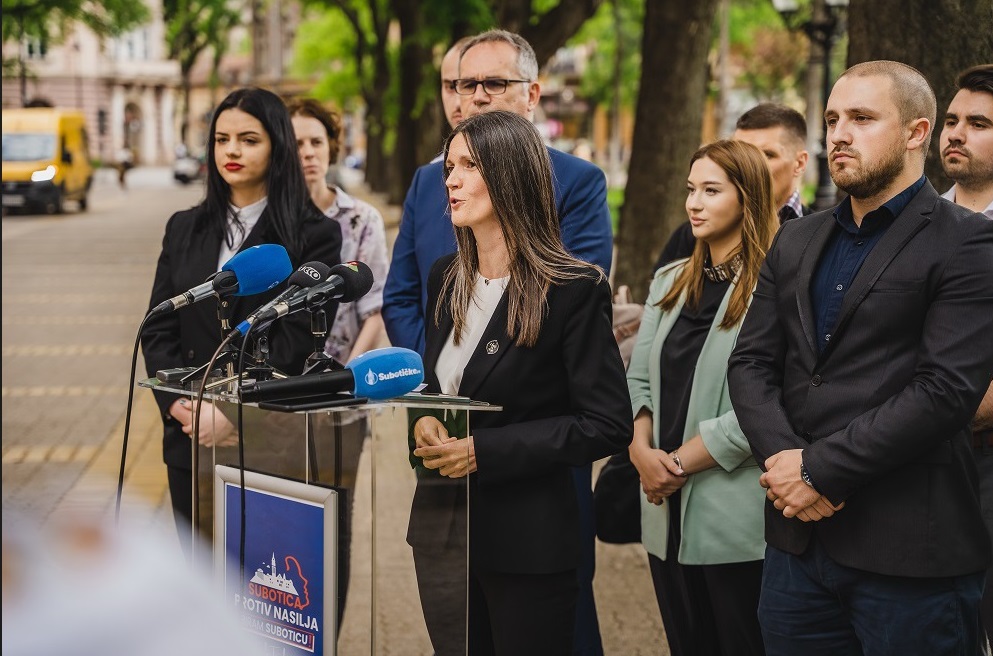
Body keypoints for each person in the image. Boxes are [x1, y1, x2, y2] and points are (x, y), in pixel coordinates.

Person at [727, 60, 993, 655]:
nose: (839, 135)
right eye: (831, 119)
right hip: (797, 549)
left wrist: (818, 471)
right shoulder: (795, 238)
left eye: (862, 118)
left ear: (916, 133)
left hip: (910, 552)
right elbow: (750, 365)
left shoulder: (968, 241)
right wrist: (788, 468)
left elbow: (945, 391)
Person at [382, 29, 614, 655]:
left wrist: (485, 450)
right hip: (443, 528)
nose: (450, 182)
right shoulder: (445, 277)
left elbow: (604, 424)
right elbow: (439, 381)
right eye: (450, 167)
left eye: (470, 167)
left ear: (510, 178)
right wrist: (426, 418)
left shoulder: (573, 289)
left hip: (528, 540)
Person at [141, 87, 343, 559]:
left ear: (277, 146)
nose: (231, 150)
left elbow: (296, 343)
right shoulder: (183, 226)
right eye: (221, 139)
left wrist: (232, 413)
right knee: (200, 580)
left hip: (268, 438)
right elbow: (158, 329)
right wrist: (179, 407)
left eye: (249, 140)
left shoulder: (315, 234)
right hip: (190, 436)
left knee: (263, 581)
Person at [626, 139, 776, 656]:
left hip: (730, 513)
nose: (694, 203)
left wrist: (676, 464)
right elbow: (638, 380)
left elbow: (766, 402)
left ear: (746, 198)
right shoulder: (669, 281)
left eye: (711, 191)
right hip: (661, 506)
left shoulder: (773, 288)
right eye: (691, 190)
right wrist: (640, 452)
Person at [287, 96, 388, 629]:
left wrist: (345, 377)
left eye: (316, 142)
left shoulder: (360, 219)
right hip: (275, 404)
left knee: (334, 516)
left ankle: (328, 630)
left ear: (331, 148)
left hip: (342, 401)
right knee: (283, 514)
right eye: (296, 143)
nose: (307, 153)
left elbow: (375, 310)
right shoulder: (270, 217)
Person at [939, 63, 993, 652]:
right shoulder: (918, 223)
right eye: (952, 120)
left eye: (979, 124)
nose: (956, 133)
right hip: (918, 466)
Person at [655, 103, 809, 270]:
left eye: (766, 155)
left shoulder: (817, 235)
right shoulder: (691, 234)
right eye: (738, 157)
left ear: (799, 163)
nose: (751, 166)